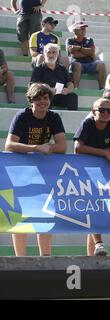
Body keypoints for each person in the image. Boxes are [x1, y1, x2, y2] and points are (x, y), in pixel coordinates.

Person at [5, 83, 67, 256]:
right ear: (31, 101)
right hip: (20, 173)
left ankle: (46, 258)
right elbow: (9, 145)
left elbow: (62, 146)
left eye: (45, 98)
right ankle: (20, 259)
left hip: (44, 172)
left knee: (45, 214)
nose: (42, 102)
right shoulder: (22, 116)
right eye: (38, 99)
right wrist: (36, 147)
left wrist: (49, 148)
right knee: (20, 215)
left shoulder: (54, 117)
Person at [74, 98, 110, 256]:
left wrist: (106, 153)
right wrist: (105, 153)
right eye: (101, 110)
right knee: (93, 207)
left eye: (109, 111)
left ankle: (94, 254)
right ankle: (99, 243)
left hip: (103, 172)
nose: (105, 113)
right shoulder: (88, 123)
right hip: (85, 171)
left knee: (98, 208)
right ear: (93, 110)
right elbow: (78, 148)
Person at [30, 43, 78, 110]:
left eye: (54, 52)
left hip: (60, 95)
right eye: (49, 52)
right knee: (45, 96)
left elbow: (70, 83)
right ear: (44, 54)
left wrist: (68, 90)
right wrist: (46, 88)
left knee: (73, 96)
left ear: (57, 55)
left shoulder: (62, 68)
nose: (51, 55)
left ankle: (73, 118)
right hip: (45, 95)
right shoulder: (38, 69)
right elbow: (33, 85)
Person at [66, 21, 106, 90]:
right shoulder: (69, 40)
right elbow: (73, 53)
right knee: (77, 65)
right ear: (75, 30)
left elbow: (92, 51)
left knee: (101, 64)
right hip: (77, 64)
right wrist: (87, 52)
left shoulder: (89, 39)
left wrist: (79, 48)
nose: (84, 29)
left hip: (90, 63)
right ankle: (76, 88)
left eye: (85, 28)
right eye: (81, 28)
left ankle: (102, 89)